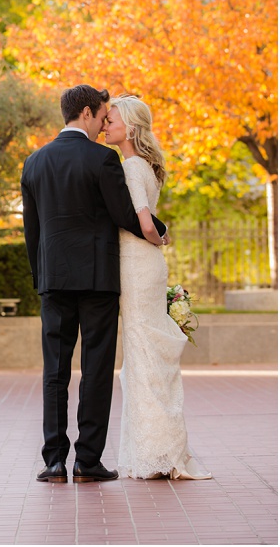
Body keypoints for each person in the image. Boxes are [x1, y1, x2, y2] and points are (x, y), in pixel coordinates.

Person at [20, 84, 168, 484]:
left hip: (53, 282)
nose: (105, 121)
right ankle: (88, 460)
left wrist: (42, 280)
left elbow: (31, 232)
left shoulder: (34, 162)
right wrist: (162, 229)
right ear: (86, 112)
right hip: (98, 281)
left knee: (55, 371)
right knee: (96, 370)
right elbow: (125, 215)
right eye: (103, 114)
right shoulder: (103, 159)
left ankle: (53, 461)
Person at [105, 95, 212, 480]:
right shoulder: (147, 165)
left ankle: (156, 452)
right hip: (148, 269)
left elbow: (145, 223)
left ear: (130, 127)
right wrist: (160, 240)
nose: (105, 125)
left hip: (137, 265)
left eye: (112, 119)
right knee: (145, 353)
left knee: (142, 353)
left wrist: (158, 238)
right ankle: (157, 448)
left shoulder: (131, 166)